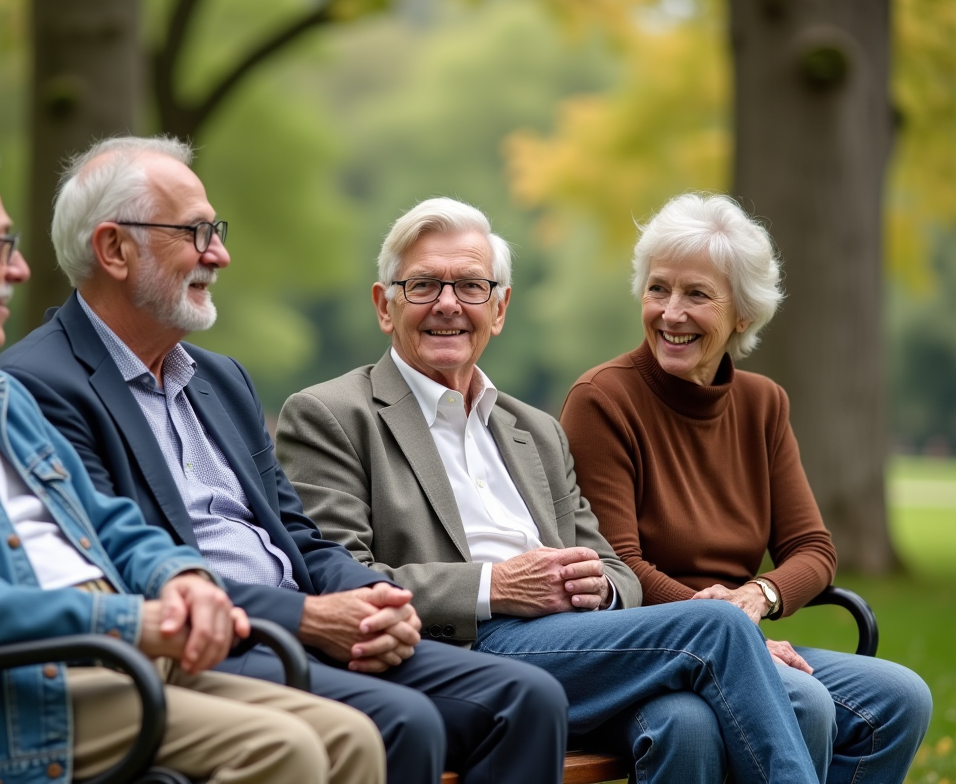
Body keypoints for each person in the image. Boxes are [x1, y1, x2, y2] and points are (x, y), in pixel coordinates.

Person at [0, 125, 386, 784]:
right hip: (3, 704)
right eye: (1, 244)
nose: (21, 269)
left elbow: (107, 522)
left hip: (112, 663)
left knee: (351, 739)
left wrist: (182, 579)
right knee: (283, 751)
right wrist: (128, 620)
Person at [0, 136, 565, 784]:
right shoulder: (39, 385)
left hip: (308, 627)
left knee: (529, 701)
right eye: (197, 232)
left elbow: (298, 535)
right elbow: (120, 569)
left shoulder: (220, 379)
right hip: (204, 649)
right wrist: (309, 619)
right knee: (406, 720)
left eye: (217, 231)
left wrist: (375, 599)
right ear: (114, 250)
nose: (220, 253)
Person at [276, 195, 827, 784]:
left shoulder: (532, 430)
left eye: (470, 287)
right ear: (385, 306)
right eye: (422, 286)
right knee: (721, 625)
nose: (447, 305)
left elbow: (615, 569)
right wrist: (499, 587)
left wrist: (592, 589)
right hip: (456, 650)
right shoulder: (331, 415)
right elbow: (336, 580)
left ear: (500, 307)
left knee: (685, 720)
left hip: (577, 639)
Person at [558, 192, 932, 784]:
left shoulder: (762, 404)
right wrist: (730, 633)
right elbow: (618, 568)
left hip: (742, 640)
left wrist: (757, 598)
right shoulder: (602, 400)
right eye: (659, 289)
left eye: (697, 295)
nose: (670, 313)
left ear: (743, 315)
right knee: (799, 705)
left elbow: (814, 551)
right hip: (647, 651)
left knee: (900, 697)